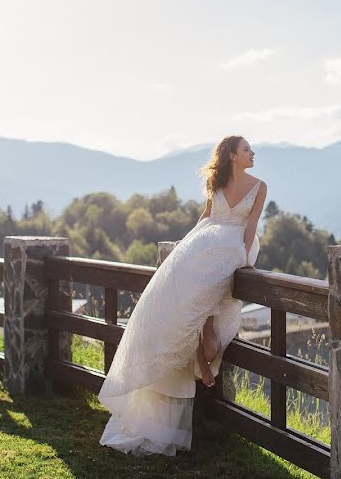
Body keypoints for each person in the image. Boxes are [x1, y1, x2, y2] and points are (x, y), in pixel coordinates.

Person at [98, 135, 267, 457]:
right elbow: (206, 217)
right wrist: (185, 248)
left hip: (233, 244)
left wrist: (245, 256)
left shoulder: (259, 186)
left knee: (207, 294)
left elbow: (251, 225)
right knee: (188, 301)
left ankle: (205, 348)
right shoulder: (216, 182)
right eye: (246, 150)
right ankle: (202, 352)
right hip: (208, 239)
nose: (252, 153)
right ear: (232, 156)